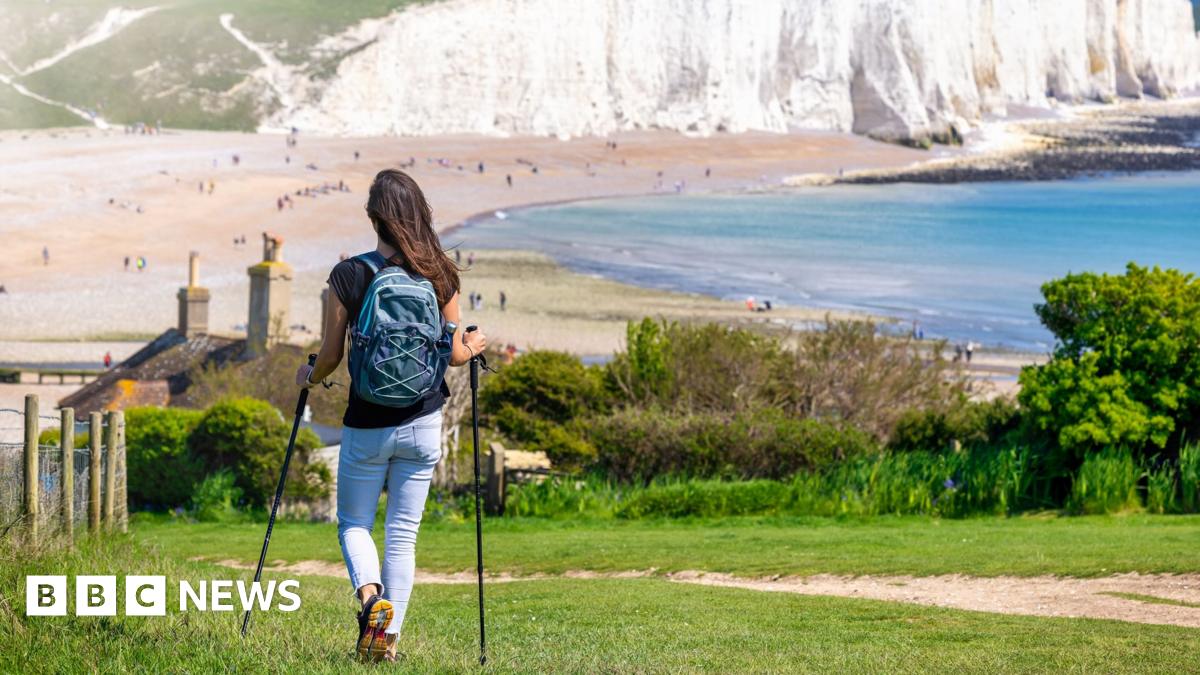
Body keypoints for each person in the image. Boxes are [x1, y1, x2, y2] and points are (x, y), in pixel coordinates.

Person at [296, 169, 485, 664]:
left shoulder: (349, 275)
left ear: (372, 218)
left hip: (366, 422)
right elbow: (455, 354)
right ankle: (389, 642)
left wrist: (309, 376)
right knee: (403, 533)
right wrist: (474, 345)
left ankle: (369, 600)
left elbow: (332, 355)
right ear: (419, 211)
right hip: (423, 421)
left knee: (354, 522)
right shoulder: (439, 272)